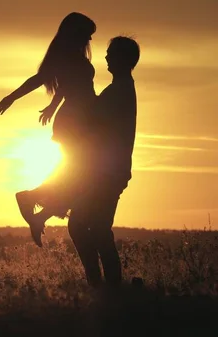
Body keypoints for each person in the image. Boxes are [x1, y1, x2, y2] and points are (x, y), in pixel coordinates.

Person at [0, 12, 98, 246]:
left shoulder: (72, 56)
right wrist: (11, 97)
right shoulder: (65, 55)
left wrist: (53, 105)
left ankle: (40, 214)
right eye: (87, 35)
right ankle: (30, 198)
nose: (89, 41)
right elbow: (40, 78)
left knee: (78, 177)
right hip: (76, 122)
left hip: (79, 120)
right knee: (80, 177)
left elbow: (67, 85)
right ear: (76, 32)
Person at [67, 36, 140, 287]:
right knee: (94, 227)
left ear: (122, 59)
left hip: (106, 174)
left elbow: (91, 123)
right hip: (108, 173)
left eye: (110, 53)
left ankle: (103, 286)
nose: (106, 57)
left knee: (85, 226)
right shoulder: (121, 89)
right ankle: (104, 286)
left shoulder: (118, 92)